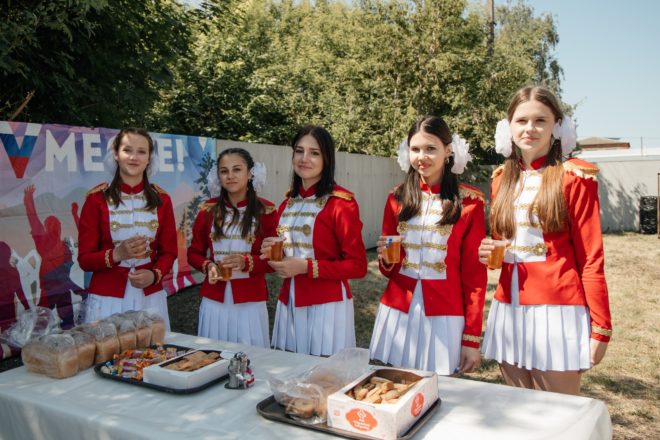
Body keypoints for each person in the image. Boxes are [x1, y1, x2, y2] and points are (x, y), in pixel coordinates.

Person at [480, 85, 612, 395]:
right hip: (508, 308)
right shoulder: (501, 179)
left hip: (558, 311)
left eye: (540, 120)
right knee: (518, 410)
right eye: (521, 120)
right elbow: (502, 243)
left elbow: (591, 258)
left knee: (560, 414)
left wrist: (601, 327)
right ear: (508, 126)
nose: (530, 128)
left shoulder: (575, 177)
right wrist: (488, 252)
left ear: (557, 126)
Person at [369, 116, 487, 375]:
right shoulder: (396, 197)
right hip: (398, 310)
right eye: (415, 149)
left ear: (448, 150)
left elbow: (475, 277)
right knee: (393, 385)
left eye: (431, 148)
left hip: (446, 314)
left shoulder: (470, 203)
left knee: (441, 389)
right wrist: (386, 258)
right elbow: (389, 269)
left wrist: (471, 338)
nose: (421, 157)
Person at [261, 125, 367, 356]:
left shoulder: (341, 204)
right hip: (290, 299)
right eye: (299, 151)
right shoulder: (287, 203)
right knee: (290, 369)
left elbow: (358, 266)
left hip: (327, 305)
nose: (304, 159)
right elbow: (286, 257)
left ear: (326, 159)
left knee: (325, 373)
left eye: (314, 153)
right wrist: (273, 254)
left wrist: (305, 267)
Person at [77, 128, 177, 330]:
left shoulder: (162, 200)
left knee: (153, 349)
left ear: (149, 158)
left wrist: (154, 275)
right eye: (127, 150)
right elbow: (84, 260)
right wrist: (117, 254)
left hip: (150, 296)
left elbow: (169, 252)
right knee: (107, 350)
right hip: (107, 297)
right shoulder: (96, 200)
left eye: (141, 151)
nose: (134, 157)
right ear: (116, 154)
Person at [187, 148, 278, 347]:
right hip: (214, 299)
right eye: (224, 171)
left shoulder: (266, 211)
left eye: (237, 169)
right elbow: (193, 253)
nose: (230, 176)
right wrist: (208, 266)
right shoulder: (207, 210)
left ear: (250, 173)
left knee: (252, 356)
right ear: (217, 176)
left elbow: (275, 260)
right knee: (212, 354)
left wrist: (247, 262)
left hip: (250, 302)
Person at [24, 185, 85, 328]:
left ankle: (67, 336)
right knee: (43, 319)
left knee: (67, 319)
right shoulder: (42, 239)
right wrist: (28, 199)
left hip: (62, 287)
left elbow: (67, 267)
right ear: (46, 227)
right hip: (49, 284)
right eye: (52, 224)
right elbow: (33, 218)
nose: (56, 227)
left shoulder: (64, 246)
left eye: (57, 224)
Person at [0, 242, 31, 332]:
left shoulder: (10, 271)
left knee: (9, 332)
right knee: (9, 333)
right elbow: (20, 292)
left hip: (7, 311)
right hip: (8, 311)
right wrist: (28, 308)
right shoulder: (11, 271)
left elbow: (19, 292)